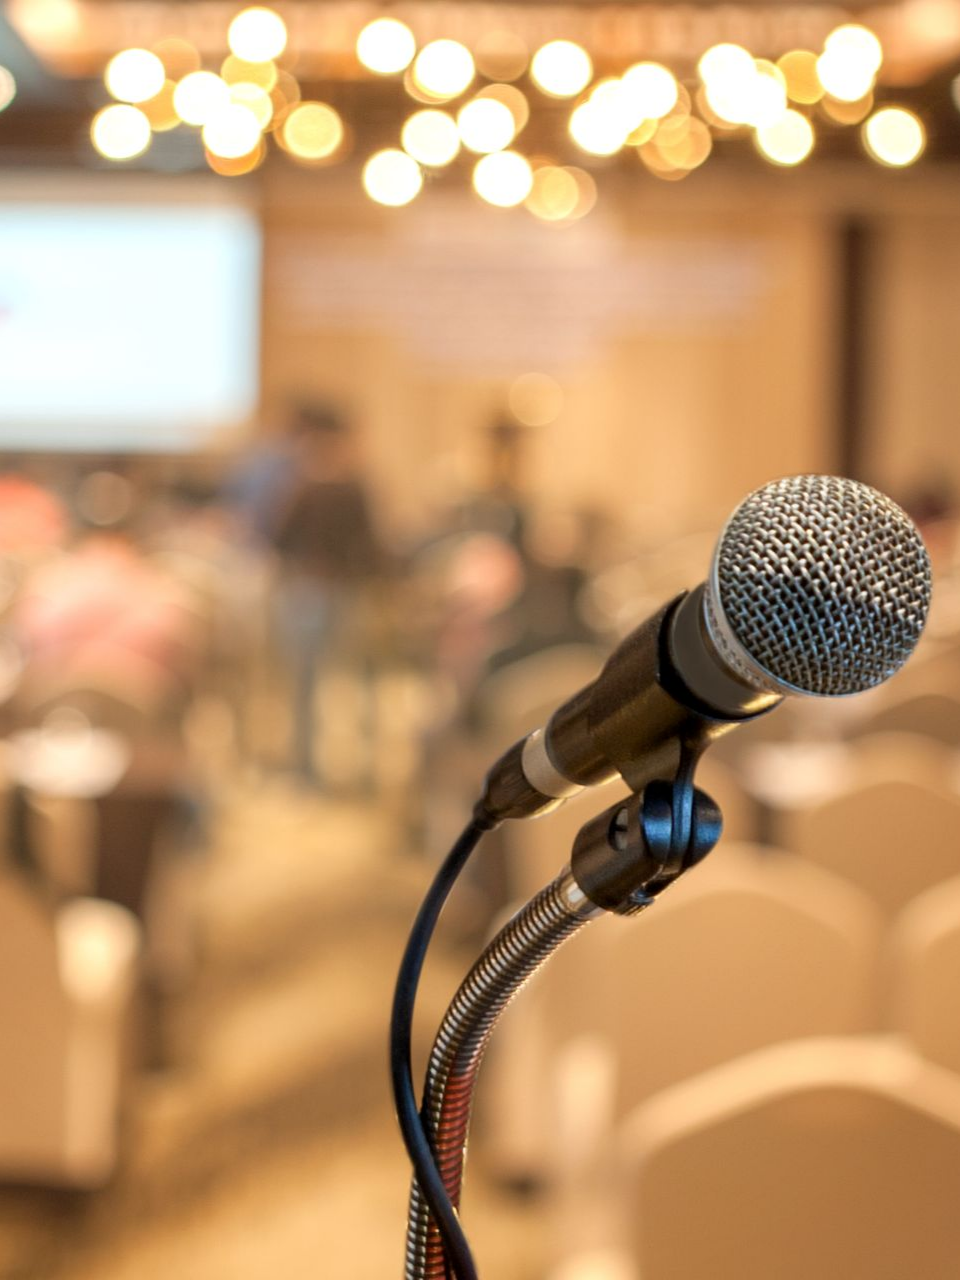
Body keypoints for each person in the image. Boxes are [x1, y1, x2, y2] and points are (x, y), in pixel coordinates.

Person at [269, 404, 384, 787]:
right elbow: (372, 544)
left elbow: (278, 538)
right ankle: (364, 768)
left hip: (310, 589)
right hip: (349, 590)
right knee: (359, 680)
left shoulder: (305, 484)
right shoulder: (355, 484)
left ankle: (308, 769)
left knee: (308, 682)